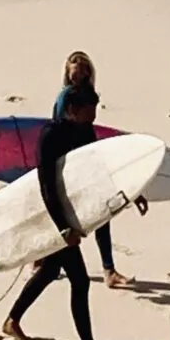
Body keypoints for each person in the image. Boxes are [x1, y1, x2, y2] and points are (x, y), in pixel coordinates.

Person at [0, 77, 121, 340]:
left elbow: (97, 171)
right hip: (51, 213)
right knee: (79, 280)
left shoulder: (84, 131)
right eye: (89, 111)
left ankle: (12, 322)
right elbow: (46, 186)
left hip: (70, 210)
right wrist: (62, 228)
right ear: (72, 109)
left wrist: (132, 192)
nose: (94, 117)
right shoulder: (50, 136)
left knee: (52, 269)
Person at [55, 48, 136, 288]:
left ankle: (109, 271)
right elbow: (57, 131)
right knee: (64, 220)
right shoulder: (65, 97)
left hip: (89, 159)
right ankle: (41, 261)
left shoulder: (89, 96)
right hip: (72, 164)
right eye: (73, 76)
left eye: (81, 75)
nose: (77, 80)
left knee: (102, 217)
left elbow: (89, 133)